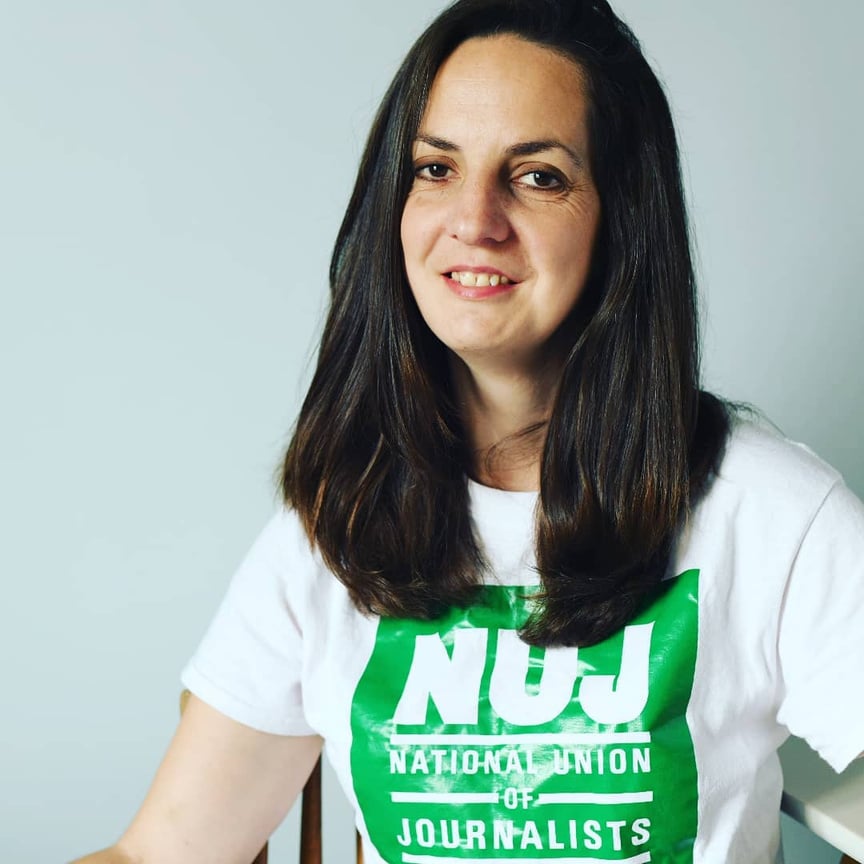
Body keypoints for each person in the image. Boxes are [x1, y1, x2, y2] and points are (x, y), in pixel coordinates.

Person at [71, 0, 864, 862]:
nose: (475, 219)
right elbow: (163, 853)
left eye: (538, 176)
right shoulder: (335, 521)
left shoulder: (774, 517)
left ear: (621, 220)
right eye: (435, 168)